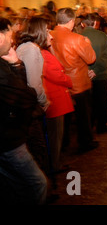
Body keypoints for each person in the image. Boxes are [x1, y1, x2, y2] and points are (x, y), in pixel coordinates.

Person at [0, 17, 48, 204]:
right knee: (38, 184)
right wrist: (17, 65)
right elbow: (28, 96)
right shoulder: (3, 69)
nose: (13, 41)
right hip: (8, 141)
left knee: (13, 186)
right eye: (10, 34)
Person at [50, 7, 98, 154]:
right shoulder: (77, 39)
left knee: (63, 116)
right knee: (83, 115)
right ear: (71, 22)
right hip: (78, 82)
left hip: (58, 80)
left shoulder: (49, 35)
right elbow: (91, 58)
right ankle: (85, 142)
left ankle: (63, 143)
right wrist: (87, 43)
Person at [37, 18, 75, 174]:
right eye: (47, 33)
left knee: (57, 135)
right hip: (55, 100)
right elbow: (56, 75)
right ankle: (55, 164)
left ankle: (56, 162)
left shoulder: (44, 51)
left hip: (55, 97)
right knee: (55, 136)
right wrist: (68, 79)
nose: (51, 36)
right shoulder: (43, 54)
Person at [15, 17, 51, 173]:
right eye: (47, 30)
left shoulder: (26, 46)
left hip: (24, 103)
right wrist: (44, 100)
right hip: (30, 105)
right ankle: (39, 191)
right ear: (40, 31)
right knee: (37, 147)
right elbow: (34, 83)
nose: (50, 34)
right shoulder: (31, 49)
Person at [81, 13, 107, 133]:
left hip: (84, 75)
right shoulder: (102, 36)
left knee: (88, 102)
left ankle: (89, 124)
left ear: (83, 24)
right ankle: (101, 126)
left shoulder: (78, 36)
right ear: (95, 23)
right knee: (101, 101)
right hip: (102, 75)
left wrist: (88, 70)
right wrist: (96, 70)